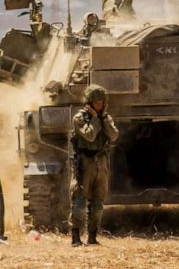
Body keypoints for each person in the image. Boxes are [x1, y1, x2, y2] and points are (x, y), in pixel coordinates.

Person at [70, 84, 119, 246]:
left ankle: (92, 237)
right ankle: (76, 237)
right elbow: (90, 136)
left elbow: (113, 135)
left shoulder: (105, 117)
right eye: (97, 102)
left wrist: (103, 119)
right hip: (86, 162)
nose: (100, 105)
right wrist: (96, 119)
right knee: (80, 201)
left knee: (98, 202)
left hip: (102, 162)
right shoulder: (79, 118)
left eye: (102, 102)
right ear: (89, 103)